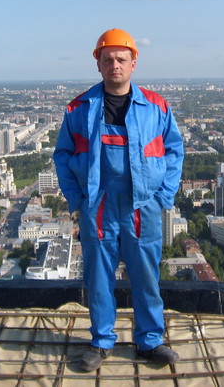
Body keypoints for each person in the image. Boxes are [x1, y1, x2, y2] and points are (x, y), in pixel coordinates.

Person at [53, 28, 184, 371]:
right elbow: (63, 155)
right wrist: (77, 198)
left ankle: (150, 341)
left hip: (143, 205)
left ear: (133, 63)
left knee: (146, 276)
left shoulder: (156, 107)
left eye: (121, 59)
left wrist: (163, 196)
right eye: (108, 59)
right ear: (98, 64)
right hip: (98, 204)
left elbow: (174, 151)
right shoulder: (79, 108)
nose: (115, 65)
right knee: (98, 277)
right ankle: (101, 341)